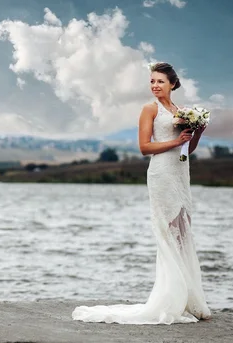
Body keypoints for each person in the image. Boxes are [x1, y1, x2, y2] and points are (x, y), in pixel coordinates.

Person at [72, 62, 212, 324]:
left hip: (180, 172)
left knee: (182, 231)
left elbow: (186, 151)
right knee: (167, 231)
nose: (155, 86)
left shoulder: (181, 111)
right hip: (160, 174)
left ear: (172, 84)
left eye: (160, 81)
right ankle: (169, 299)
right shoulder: (149, 109)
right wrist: (176, 141)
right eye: (151, 81)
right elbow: (144, 147)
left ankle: (188, 298)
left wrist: (197, 134)